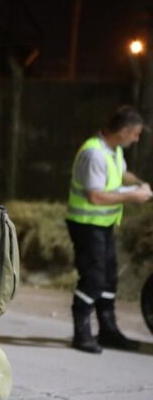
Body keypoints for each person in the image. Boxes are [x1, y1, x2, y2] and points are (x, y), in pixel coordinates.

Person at [66, 105, 151, 353]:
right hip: (86, 225)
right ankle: (81, 333)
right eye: (135, 134)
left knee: (109, 279)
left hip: (103, 225)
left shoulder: (112, 151)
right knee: (92, 279)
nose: (136, 140)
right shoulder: (94, 154)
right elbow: (96, 197)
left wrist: (140, 183)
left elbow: (123, 174)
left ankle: (108, 330)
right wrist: (132, 197)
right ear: (123, 131)